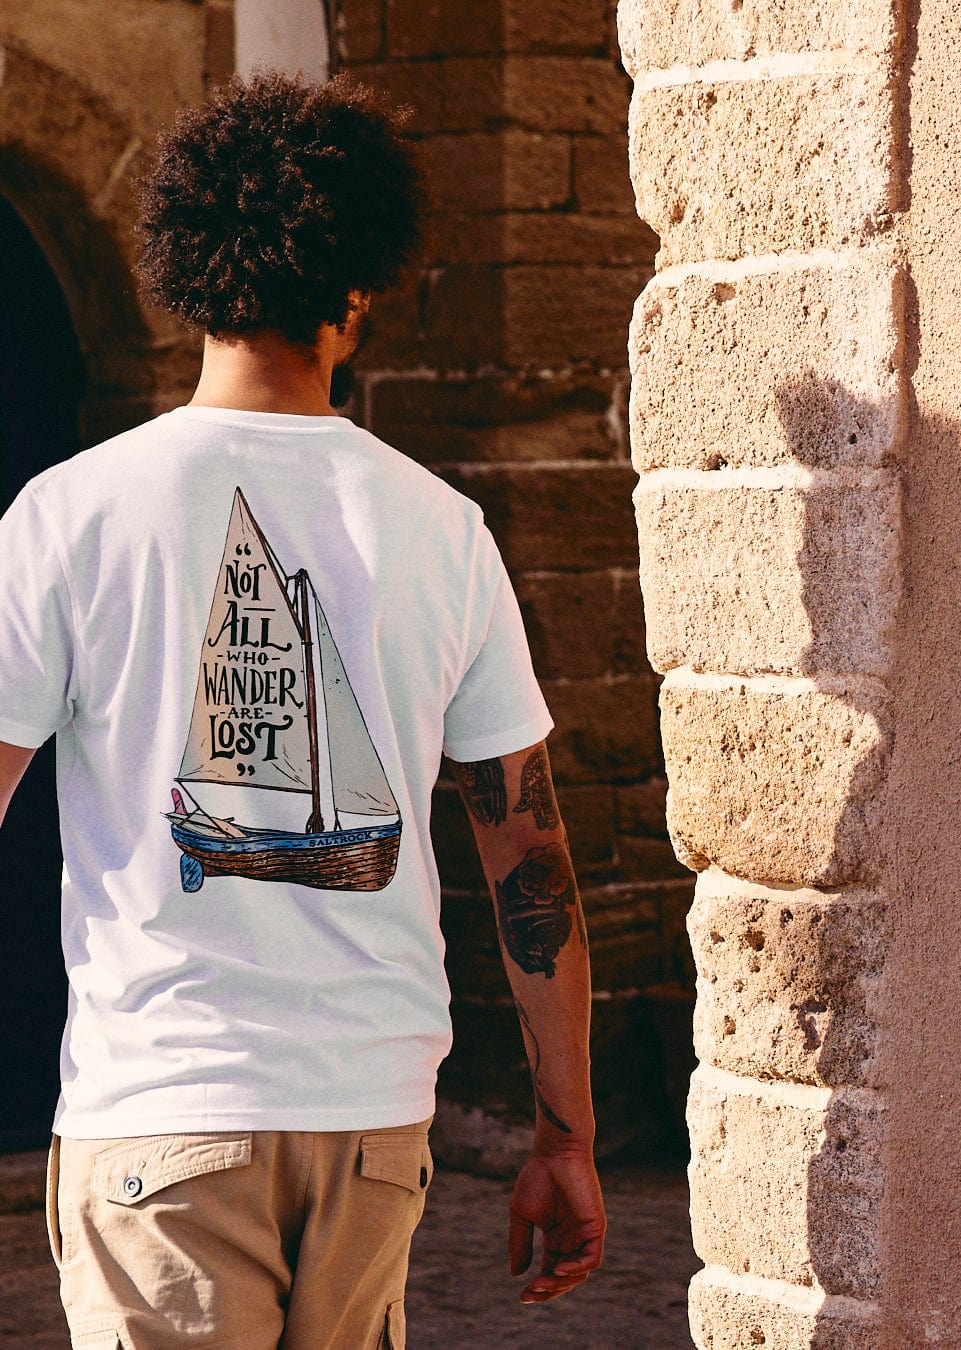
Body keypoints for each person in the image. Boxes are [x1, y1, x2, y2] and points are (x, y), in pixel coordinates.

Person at [0, 72, 604, 1348]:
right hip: (374, 1120)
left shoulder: (68, 514)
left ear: (188, 272)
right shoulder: (445, 531)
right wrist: (568, 1132)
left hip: (156, 1114)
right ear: (359, 289)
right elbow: (527, 853)